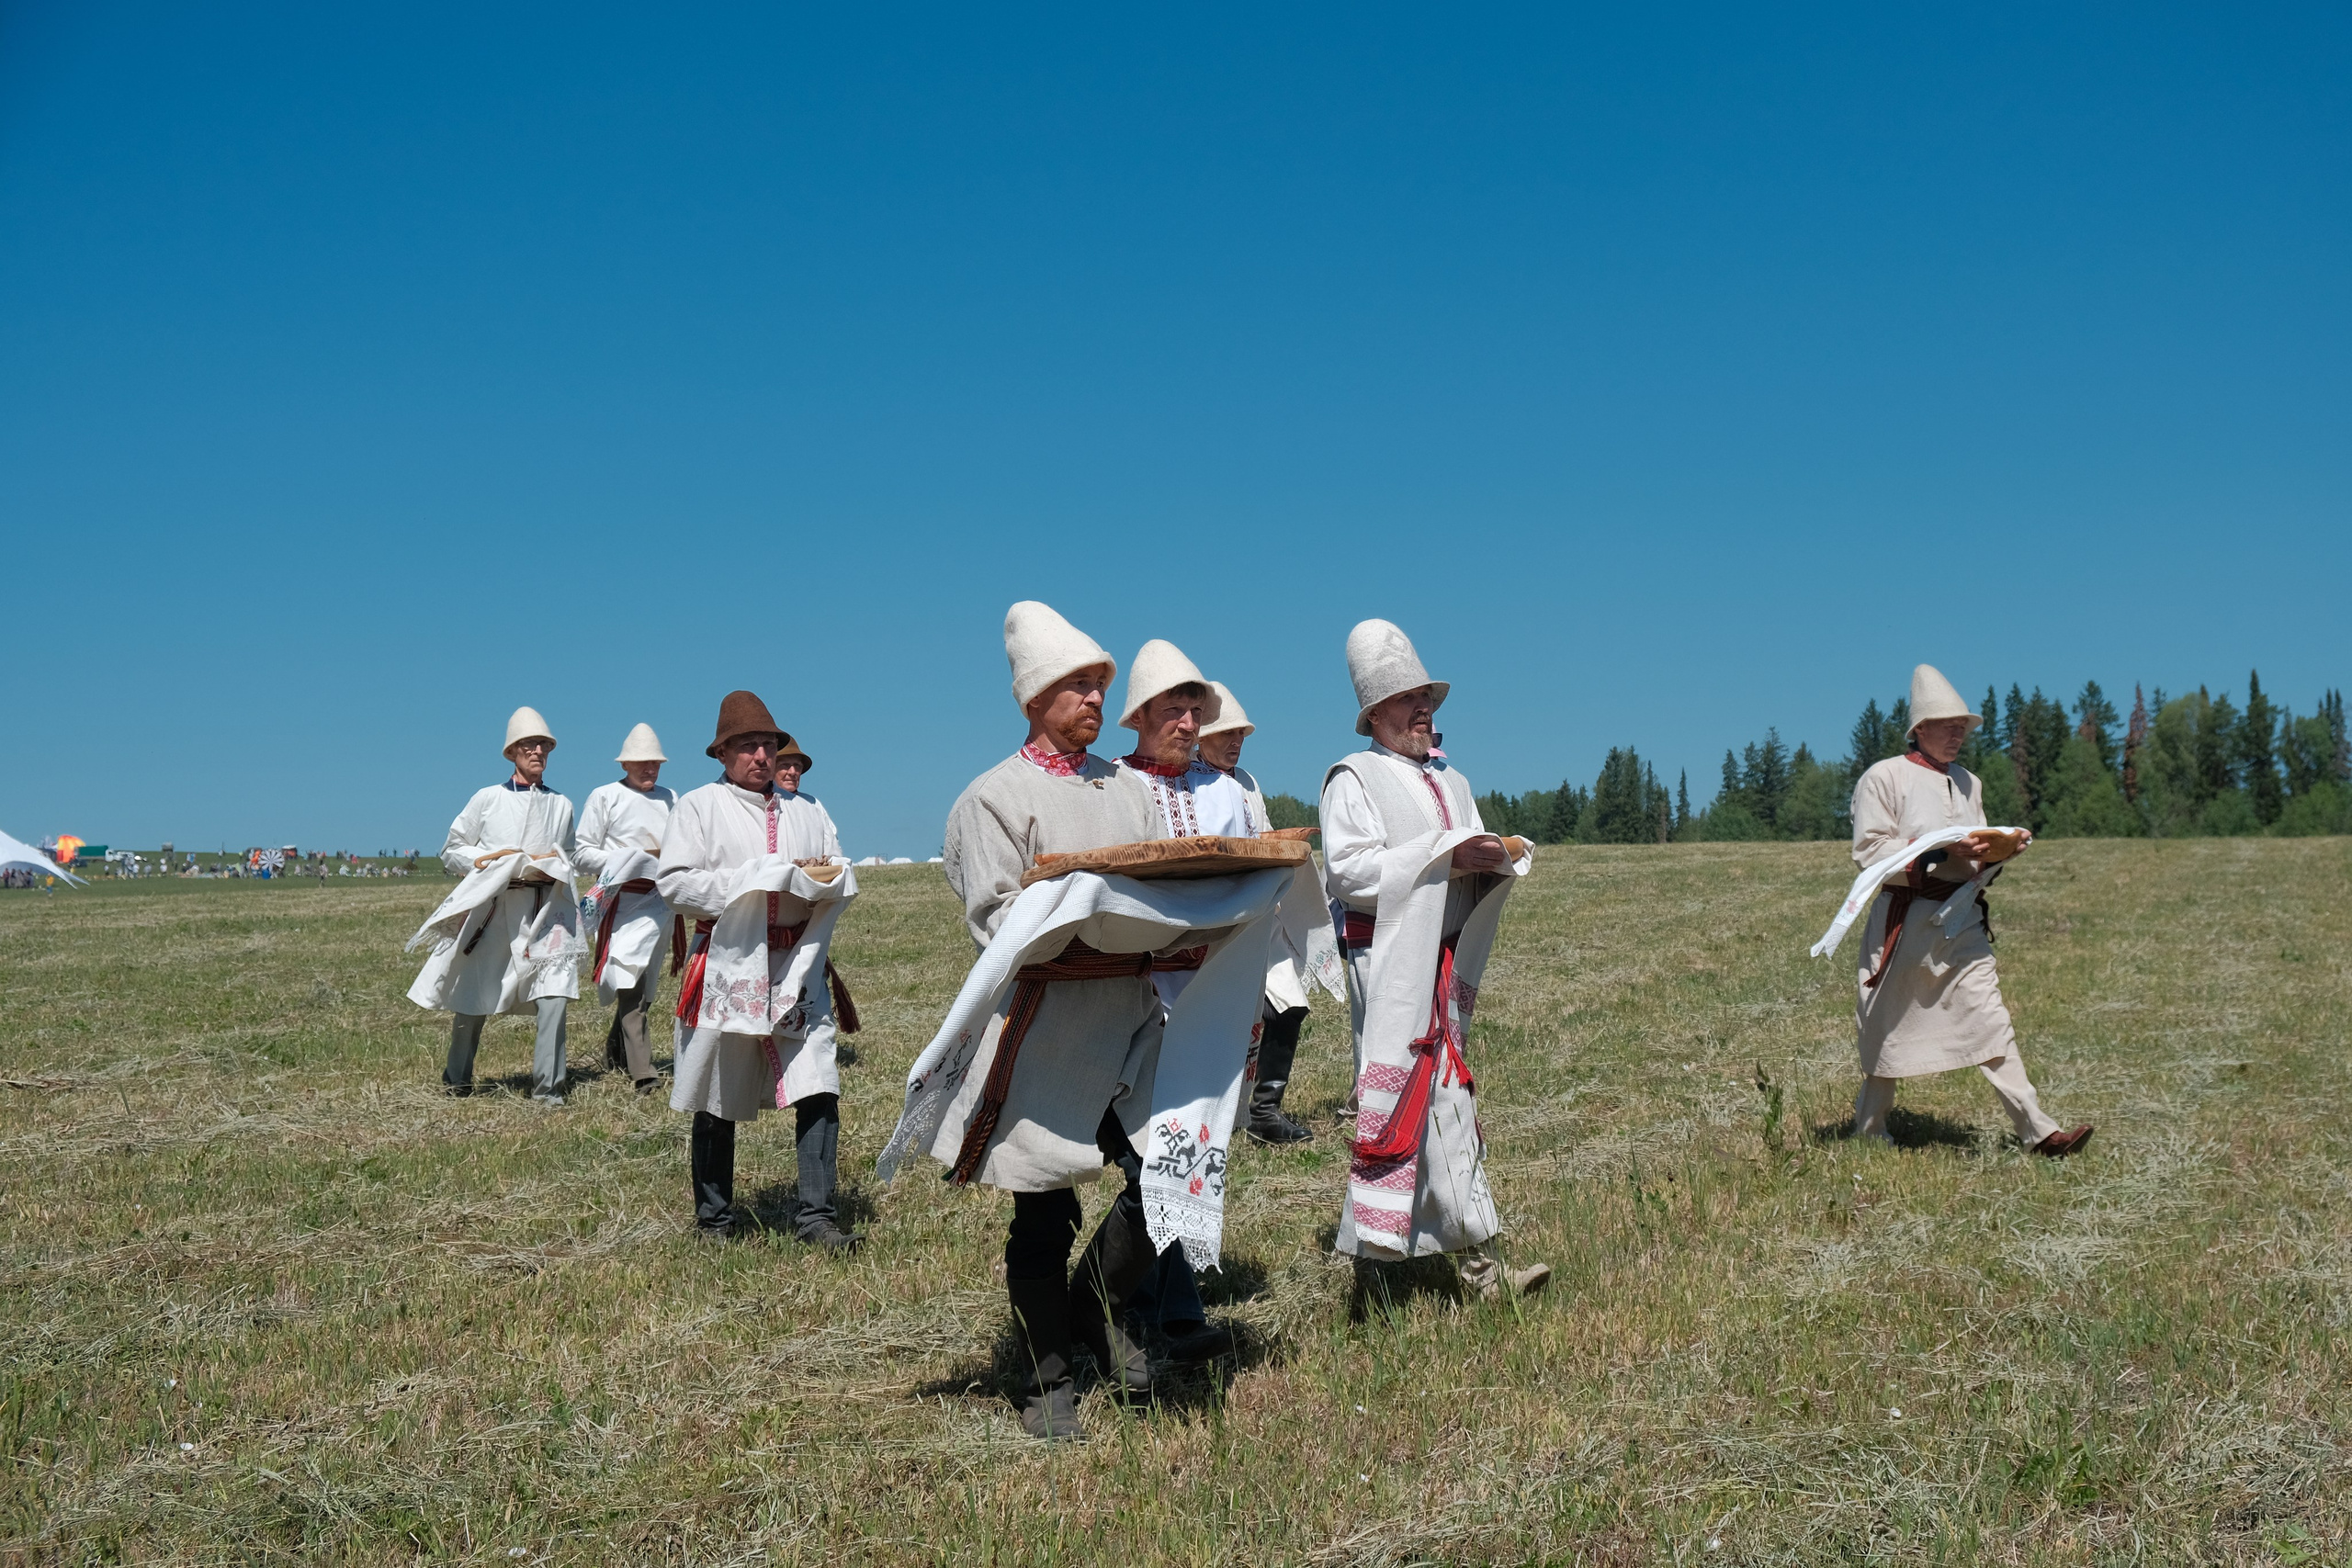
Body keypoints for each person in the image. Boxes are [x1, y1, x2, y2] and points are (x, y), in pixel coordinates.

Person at [931, 603, 1175, 1439]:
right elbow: (1002, 922)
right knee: (1041, 1209)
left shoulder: (1131, 787)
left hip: (1134, 1020)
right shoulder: (991, 799)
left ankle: (1091, 1303)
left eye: (1100, 686)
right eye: (1077, 685)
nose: (1094, 699)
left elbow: (1163, 887)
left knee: (1168, 1176)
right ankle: (1047, 1375)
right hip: (1045, 1028)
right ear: (1034, 697)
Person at [1319, 621, 1549, 1302]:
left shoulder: (1456, 779)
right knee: (1433, 1092)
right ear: (1373, 713)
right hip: (1387, 959)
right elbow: (1350, 873)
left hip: (1442, 958)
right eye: (1405, 699)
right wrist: (1446, 855)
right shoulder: (1352, 778)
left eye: (1427, 697)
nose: (1423, 710)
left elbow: (1470, 849)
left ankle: (1373, 1257)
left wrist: (1493, 859)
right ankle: (1485, 1268)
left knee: (1411, 1099)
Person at [1847, 664, 2094, 1157]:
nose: (1958, 733)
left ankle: (2039, 1133)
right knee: (1885, 1026)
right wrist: (1940, 852)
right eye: (1948, 724)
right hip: (1905, 922)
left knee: (1990, 1018)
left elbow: (1977, 855)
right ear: (1920, 730)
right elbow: (1870, 854)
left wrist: (2001, 851)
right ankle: (1869, 1132)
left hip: (1961, 922)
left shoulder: (1970, 783)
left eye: (1963, 726)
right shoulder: (1884, 777)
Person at [657, 692, 863, 1248]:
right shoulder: (698, 807)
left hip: (798, 963)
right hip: (728, 963)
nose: (760, 756)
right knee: (715, 1090)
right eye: (747, 746)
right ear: (722, 753)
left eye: (767, 745)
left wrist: (820, 879)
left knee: (818, 1083)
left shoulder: (808, 808)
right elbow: (674, 883)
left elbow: (837, 866)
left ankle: (817, 1218)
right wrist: (755, 879)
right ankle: (715, 1220)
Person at [409, 706, 582, 1105]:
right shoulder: (487, 799)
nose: (536, 751)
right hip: (492, 909)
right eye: (528, 745)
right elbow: (452, 849)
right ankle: (456, 1080)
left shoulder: (562, 805)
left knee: (554, 993)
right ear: (512, 752)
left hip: (543, 911)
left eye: (543, 745)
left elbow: (567, 853)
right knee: (471, 995)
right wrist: (489, 861)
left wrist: (554, 867)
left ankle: (549, 1092)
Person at [1195, 680, 1325, 1147]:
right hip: (1214, 921)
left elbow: (1264, 833)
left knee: (1288, 1006)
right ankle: (1210, 1116)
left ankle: (1264, 1112)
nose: (1235, 742)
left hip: (1260, 917)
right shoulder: (1185, 784)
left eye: (1241, 735)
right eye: (1226, 733)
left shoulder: (1247, 783)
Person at [575, 723, 678, 1095]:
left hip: (660, 900)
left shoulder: (671, 798)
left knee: (644, 986)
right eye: (642, 763)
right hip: (620, 903)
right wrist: (626, 859)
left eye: (656, 763)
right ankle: (644, 1074)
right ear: (625, 764)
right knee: (628, 977)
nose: (650, 769)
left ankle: (617, 1050)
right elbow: (583, 851)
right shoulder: (604, 797)